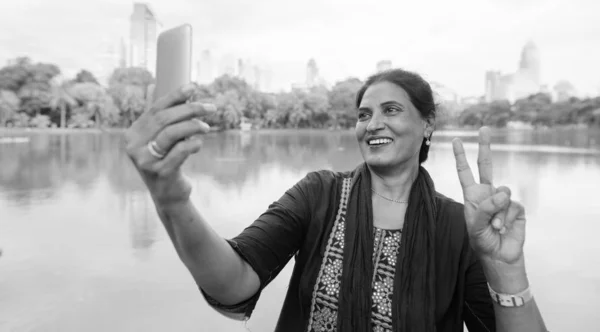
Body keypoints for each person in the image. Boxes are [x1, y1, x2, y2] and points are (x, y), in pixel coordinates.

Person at [125, 69, 548, 332]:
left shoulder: (459, 226)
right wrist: (171, 201)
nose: (373, 123)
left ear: (427, 124)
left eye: (391, 110)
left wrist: (506, 268)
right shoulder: (320, 194)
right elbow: (233, 282)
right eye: (364, 114)